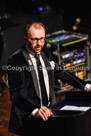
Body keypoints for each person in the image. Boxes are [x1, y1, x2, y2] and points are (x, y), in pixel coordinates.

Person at [7, 22, 91, 136]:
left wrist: (86, 86)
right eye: (35, 39)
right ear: (26, 39)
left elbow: (61, 72)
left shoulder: (45, 51)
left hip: (49, 114)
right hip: (29, 118)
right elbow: (15, 94)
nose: (39, 44)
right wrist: (35, 110)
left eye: (42, 39)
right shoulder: (16, 60)